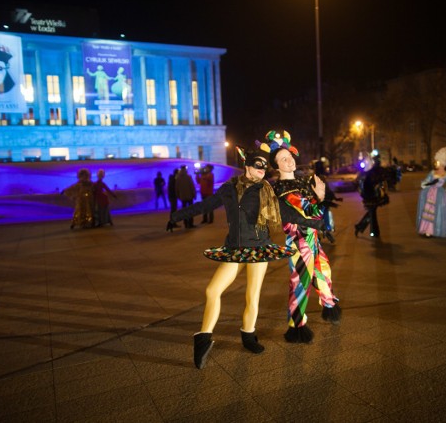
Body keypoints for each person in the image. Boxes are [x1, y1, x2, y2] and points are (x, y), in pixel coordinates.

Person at [166, 148, 294, 369]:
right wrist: (176, 216)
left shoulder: (268, 190)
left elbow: (289, 209)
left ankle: (248, 336)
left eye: (265, 167)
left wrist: (318, 223)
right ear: (247, 167)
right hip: (234, 248)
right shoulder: (229, 189)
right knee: (212, 290)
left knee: (252, 295)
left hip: (259, 248)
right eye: (258, 166)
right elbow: (206, 205)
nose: (262, 171)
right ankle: (203, 337)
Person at [258, 130, 342, 344]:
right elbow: (309, 211)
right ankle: (297, 326)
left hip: (312, 238)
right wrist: (320, 197)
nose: (289, 161)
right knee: (300, 283)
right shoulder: (283, 190)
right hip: (298, 242)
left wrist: (322, 199)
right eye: (283, 159)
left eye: (290, 157)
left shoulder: (303, 182)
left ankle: (330, 306)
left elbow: (319, 211)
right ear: (276, 166)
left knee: (323, 272)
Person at [416, 147, 446, 238]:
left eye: (438, 162)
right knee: (428, 212)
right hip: (430, 193)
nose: (436, 163)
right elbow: (426, 181)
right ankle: (427, 230)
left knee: (438, 212)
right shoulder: (432, 172)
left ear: (443, 163)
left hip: (440, 195)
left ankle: (436, 230)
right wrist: (427, 183)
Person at [355, 151, 390, 238]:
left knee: (371, 213)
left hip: (372, 196)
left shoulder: (373, 171)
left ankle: (362, 227)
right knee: (372, 213)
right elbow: (364, 184)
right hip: (370, 196)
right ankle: (372, 231)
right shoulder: (368, 172)